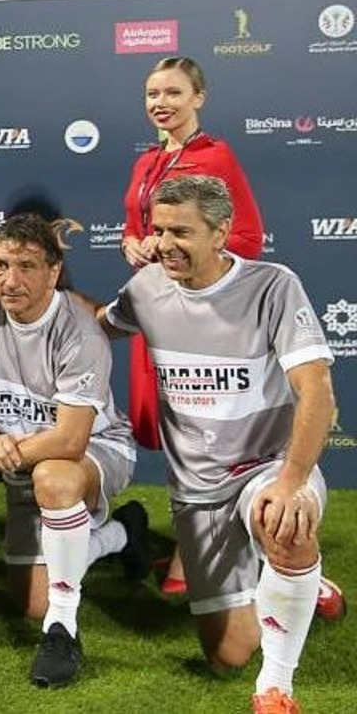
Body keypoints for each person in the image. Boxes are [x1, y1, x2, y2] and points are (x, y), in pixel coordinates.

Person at [100, 175, 339, 713]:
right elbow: (95, 324)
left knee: (284, 519)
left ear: (221, 232)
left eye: (181, 232)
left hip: (265, 467)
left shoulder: (273, 286)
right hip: (197, 493)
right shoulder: (146, 288)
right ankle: (301, 581)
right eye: (159, 230)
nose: (164, 245)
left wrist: (291, 482)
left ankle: (275, 688)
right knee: (227, 653)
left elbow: (317, 391)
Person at [0, 213, 146, 688]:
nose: (11, 281)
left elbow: (70, 439)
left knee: (53, 477)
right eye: (0, 266)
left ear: (53, 272)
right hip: (17, 456)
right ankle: (122, 533)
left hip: (94, 450)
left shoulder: (79, 331)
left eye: (27, 267)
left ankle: (63, 630)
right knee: (31, 601)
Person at [119, 56, 264, 596]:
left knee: (204, 435)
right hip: (158, 308)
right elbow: (134, 230)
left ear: (198, 97)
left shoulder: (216, 157)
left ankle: (195, 558)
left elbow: (247, 238)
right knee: (177, 434)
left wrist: (176, 251)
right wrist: (134, 245)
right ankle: (196, 541)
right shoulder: (148, 161)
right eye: (152, 94)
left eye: (173, 93)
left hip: (204, 317)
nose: (161, 103)